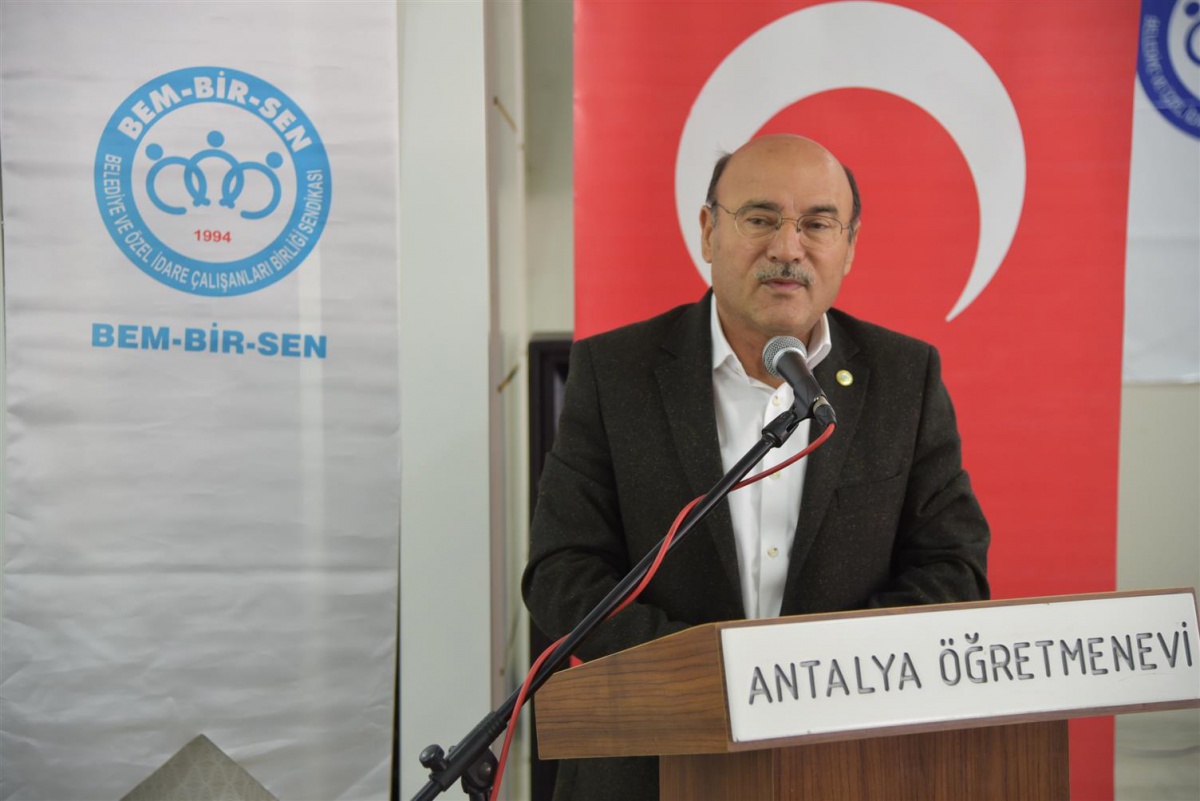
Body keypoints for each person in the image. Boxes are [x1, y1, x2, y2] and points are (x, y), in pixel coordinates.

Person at [522, 134, 990, 801]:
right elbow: (562, 572)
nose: (787, 248)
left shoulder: (903, 376)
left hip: (848, 763)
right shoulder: (615, 372)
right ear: (709, 231)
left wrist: (813, 677)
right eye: (761, 218)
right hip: (653, 764)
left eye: (817, 224)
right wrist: (712, 677)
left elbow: (954, 569)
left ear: (849, 246)